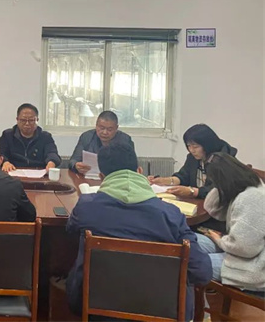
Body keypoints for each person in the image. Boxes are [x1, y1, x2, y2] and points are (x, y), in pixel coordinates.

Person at [65, 142, 211, 321]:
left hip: (97, 308)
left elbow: (70, 232)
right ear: (139, 171)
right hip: (163, 311)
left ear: (102, 177)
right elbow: (202, 271)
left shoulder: (86, 208)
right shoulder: (171, 215)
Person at [195, 153, 264, 295]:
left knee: (191, 264)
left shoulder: (252, 198)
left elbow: (246, 248)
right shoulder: (244, 187)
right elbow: (212, 208)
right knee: (191, 243)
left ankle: (202, 309)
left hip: (255, 267)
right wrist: (219, 187)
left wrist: (219, 240)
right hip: (241, 253)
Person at [149, 124, 237, 199]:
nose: (191, 150)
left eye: (195, 147)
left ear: (207, 145)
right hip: (199, 202)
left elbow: (218, 191)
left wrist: (192, 191)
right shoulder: (193, 158)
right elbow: (184, 176)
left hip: (217, 208)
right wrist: (165, 181)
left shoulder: (223, 161)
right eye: (189, 146)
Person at [0, 103, 61, 172]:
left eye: (31, 120)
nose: (27, 124)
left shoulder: (45, 137)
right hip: (13, 172)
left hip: (39, 172)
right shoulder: (8, 135)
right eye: (23, 120)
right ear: (17, 119)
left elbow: (52, 153)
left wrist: (51, 162)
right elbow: (0, 153)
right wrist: (5, 162)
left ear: (37, 120)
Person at [69, 110, 135, 174]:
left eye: (109, 129)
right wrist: (76, 165)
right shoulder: (87, 137)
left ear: (116, 128)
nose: (105, 132)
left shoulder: (125, 140)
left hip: (116, 178)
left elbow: (132, 166)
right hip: (90, 177)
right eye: (101, 128)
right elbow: (73, 161)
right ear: (96, 125)